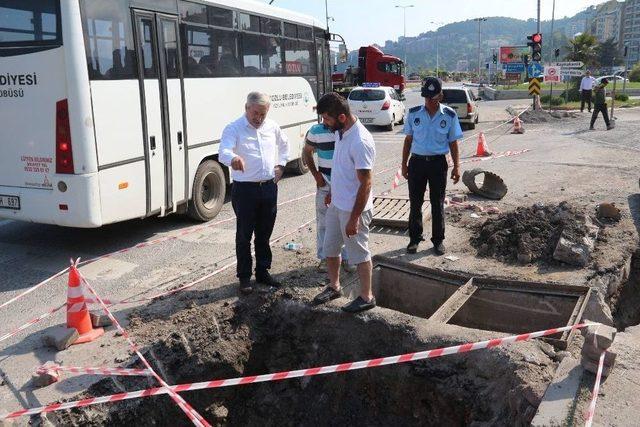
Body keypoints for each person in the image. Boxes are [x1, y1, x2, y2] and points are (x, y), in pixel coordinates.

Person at [311, 93, 377, 313]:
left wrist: (355, 218)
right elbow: (341, 169)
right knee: (330, 247)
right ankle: (334, 286)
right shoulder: (341, 132)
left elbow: (365, 184)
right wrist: (332, 192)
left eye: (327, 119)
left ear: (341, 116)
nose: (324, 124)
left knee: (359, 253)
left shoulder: (360, 141)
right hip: (337, 204)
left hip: (353, 209)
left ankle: (367, 296)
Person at [219, 92, 289, 294]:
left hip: (268, 188)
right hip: (245, 191)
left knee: (264, 233)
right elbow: (223, 151)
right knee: (244, 235)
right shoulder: (234, 128)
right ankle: (244, 277)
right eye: (255, 113)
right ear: (246, 108)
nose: (259, 118)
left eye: (263, 114)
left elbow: (285, 145)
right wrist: (232, 158)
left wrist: (281, 165)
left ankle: (263, 271)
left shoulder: (272, 126)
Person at [401, 77, 462, 255]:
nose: (429, 102)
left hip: (437, 164)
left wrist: (457, 167)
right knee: (415, 202)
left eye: (433, 98)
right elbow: (408, 141)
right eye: (427, 98)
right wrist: (404, 165)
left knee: (437, 203)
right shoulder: (414, 114)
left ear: (440, 96)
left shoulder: (449, 115)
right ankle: (414, 238)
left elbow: (453, 143)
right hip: (417, 163)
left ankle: (438, 240)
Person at [303, 123, 356, 274]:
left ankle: (347, 258)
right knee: (324, 223)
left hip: (344, 183)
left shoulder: (346, 130)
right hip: (324, 183)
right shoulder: (315, 130)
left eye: (328, 115)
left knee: (345, 221)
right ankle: (326, 257)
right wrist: (315, 174)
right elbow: (307, 152)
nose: (325, 120)